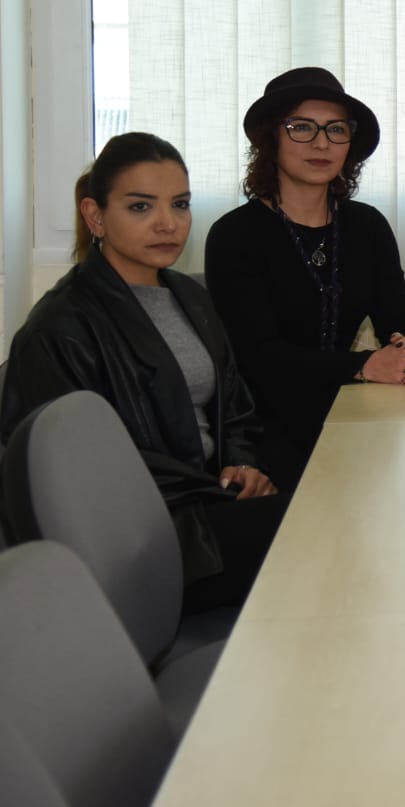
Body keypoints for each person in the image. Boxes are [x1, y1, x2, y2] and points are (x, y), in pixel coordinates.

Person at [2, 134, 285, 610]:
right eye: (140, 207)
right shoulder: (60, 327)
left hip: (209, 505)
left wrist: (244, 467)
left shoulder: (191, 298)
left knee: (333, 501)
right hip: (148, 536)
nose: (167, 223)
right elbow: (77, 472)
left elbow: (234, 407)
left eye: (180, 204)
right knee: (320, 526)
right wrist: (217, 492)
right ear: (95, 216)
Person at [206, 68, 405, 488]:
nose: (321, 143)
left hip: (353, 412)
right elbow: (259, 357)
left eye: (336, 129)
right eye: (301, 127)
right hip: (264, 430)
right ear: (271, 138)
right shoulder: (234, 234)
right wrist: (366, 365)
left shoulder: (367, 226)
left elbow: (401, 324)